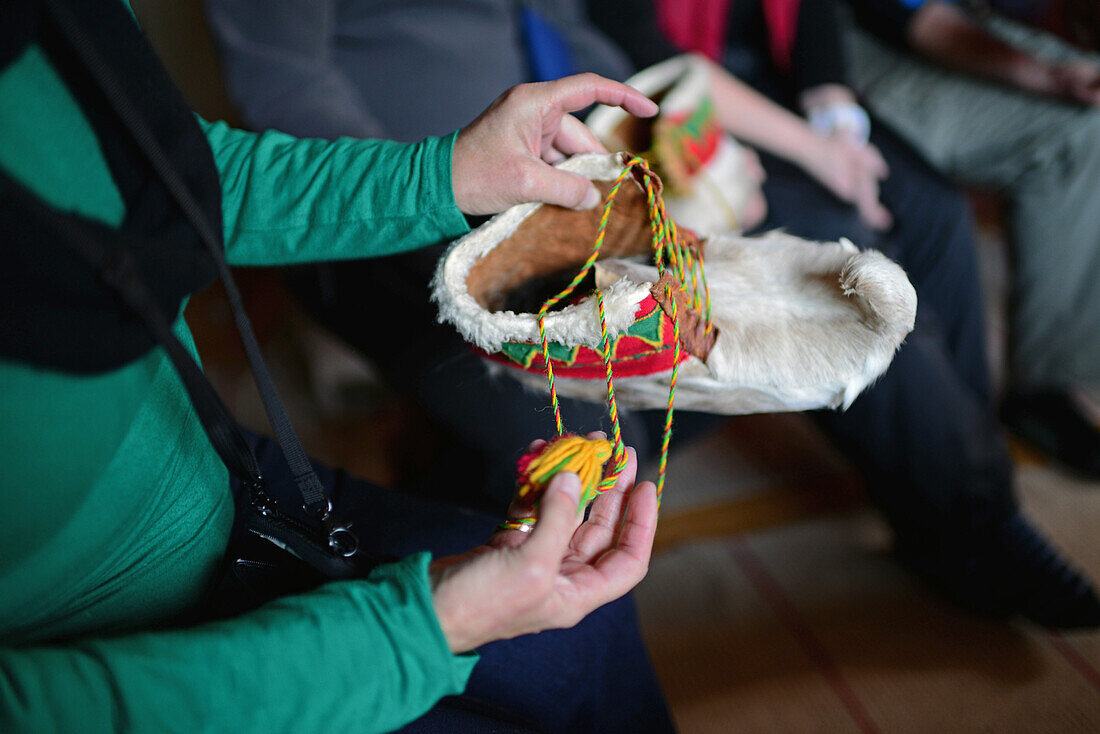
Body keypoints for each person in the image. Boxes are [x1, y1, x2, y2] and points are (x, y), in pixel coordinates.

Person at [206, 0, 1100, 628]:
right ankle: (459, 520)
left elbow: (585, 42)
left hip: (567, 196)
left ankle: (971, 526)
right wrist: (449, 188)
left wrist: (662, 146)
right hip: (406, 217)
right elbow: (285, 93)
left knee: (776, 320)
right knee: (600, 429)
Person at [0, 0, 675, 731]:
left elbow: (172, 169)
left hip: (218, 476)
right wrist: (418, 631)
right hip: (123, 663)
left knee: (589, 633)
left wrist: (446, 171)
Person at [592, 0, 1100, 628]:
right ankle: (975, 521)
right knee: (839, 258)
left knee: (934, 211)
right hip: (679, 120)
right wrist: (818, 153)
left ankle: (956, 489)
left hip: (773, 93)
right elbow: (659, 65)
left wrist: (835, 119)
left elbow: (814, 12)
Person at [838, 0, 1100, 479]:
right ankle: (969, 455)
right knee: (938, 215)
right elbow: (917, 20)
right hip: (855, 42)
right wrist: (1048, 73)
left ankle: (1021, 408)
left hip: (947, 23)